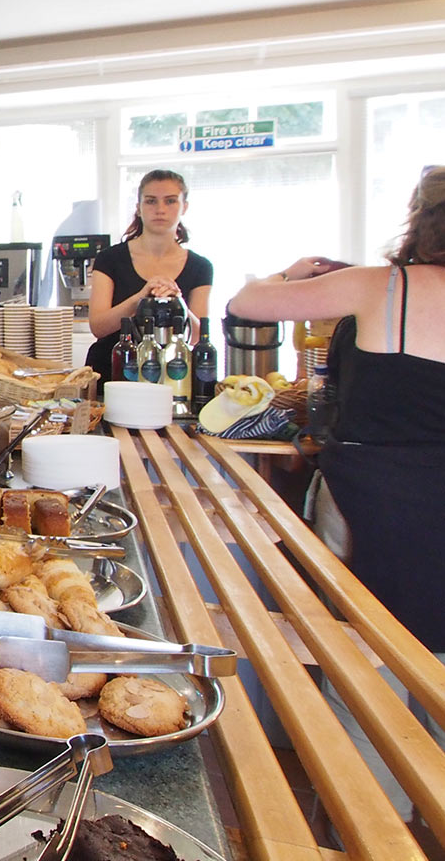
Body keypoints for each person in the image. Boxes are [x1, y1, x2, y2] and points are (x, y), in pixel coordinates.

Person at [228, 166, 445, 820]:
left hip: (371, 503)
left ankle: (369, 817)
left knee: (363, 663)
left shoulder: (383, 286)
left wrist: (298, 274)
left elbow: (245, 303)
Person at [86, 169, 213, 383]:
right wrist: (139, 299)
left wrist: (178, 301)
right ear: (138, 208)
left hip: (174, 378)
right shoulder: (110, 258)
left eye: (170, 201)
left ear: (185, 207)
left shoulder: (200, 266)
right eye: (151, 201)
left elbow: (199, 336)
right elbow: (98, 327)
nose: (160, 209)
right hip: (112, 374)